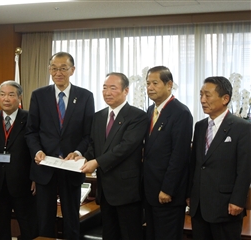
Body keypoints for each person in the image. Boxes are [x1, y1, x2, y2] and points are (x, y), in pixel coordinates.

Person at [25, 52, 95, 239]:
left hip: (71, 168)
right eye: (54, 68)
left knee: (72, 219)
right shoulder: (39, 95)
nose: (58, 72)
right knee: (44, 219)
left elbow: (89, 133)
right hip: (44, 168)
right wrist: (38, 151)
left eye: (63, 68)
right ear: (49, 70)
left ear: (72, 70)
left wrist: (79, 152)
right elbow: (31, 131)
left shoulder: (86, 96)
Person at [80, 72, 149, 240]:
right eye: (104, 88)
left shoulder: (137, 116)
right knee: (109, 235)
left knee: (129, 235)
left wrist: (96, 163)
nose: (107, 92)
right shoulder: (98, 116)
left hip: (127, 191)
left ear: (126, 91)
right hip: (104, 191)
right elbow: (93, 146)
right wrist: (80, 157)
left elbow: (125, 148)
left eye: (113, 88)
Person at [187, 76, 251, 240]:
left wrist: (238, 200)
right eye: (201, 95)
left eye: (207, 95)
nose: (202, 100)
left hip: (226, 206)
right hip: (199, 206)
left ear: (225, 98)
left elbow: (245, 168)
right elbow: (194, 164)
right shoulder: (200, 126)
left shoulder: (242, 128)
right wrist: (189, 194)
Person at [143, 66, 193, 240]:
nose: (150, 87)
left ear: (169, 84)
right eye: (148, 83)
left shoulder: (181, 112)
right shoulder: (151, 110)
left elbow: (179, 156)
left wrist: (168, 189)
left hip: (167, 193)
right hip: (150, 191)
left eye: (155, 83)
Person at [0, 80, 37, 239]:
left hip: (24, 183)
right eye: (2, 95)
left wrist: (35, 177)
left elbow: (36, 150)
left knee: (28, 226)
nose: (6, 99)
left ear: (20, 97)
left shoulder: (30, 119)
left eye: (11, 95)